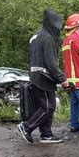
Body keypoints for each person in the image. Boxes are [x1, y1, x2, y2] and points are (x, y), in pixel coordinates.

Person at [17, 9, 69, 144]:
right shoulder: (48, 38)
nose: (59, 28)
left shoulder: (36, 36)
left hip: (35, 75)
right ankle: (26, 127)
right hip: (44, 77)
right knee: (48, 107)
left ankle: (46, 134)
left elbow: (30, 58)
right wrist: (62, 79)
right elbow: (51, 63)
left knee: (45, 104)